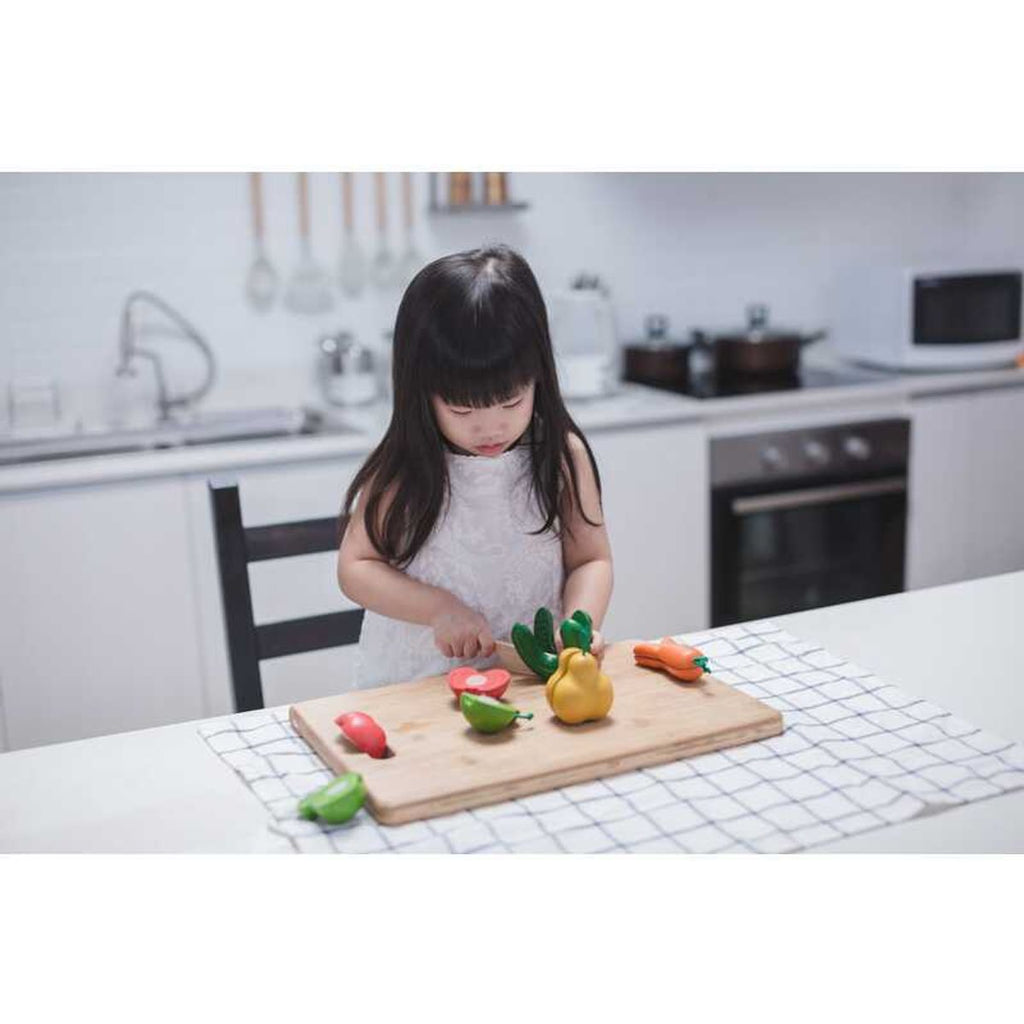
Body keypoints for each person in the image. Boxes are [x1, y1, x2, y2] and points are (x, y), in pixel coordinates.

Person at [337, 244, 613, 689]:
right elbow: (356, 568)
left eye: (511, 401)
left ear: (539, 377)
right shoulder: (408, 468)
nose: (490, 427)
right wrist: (438, 609)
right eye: (463, 410)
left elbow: (591, 561)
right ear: (420, 392)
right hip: (415, 690)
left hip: (529, 685)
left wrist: (579, 626)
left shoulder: (560, 458)